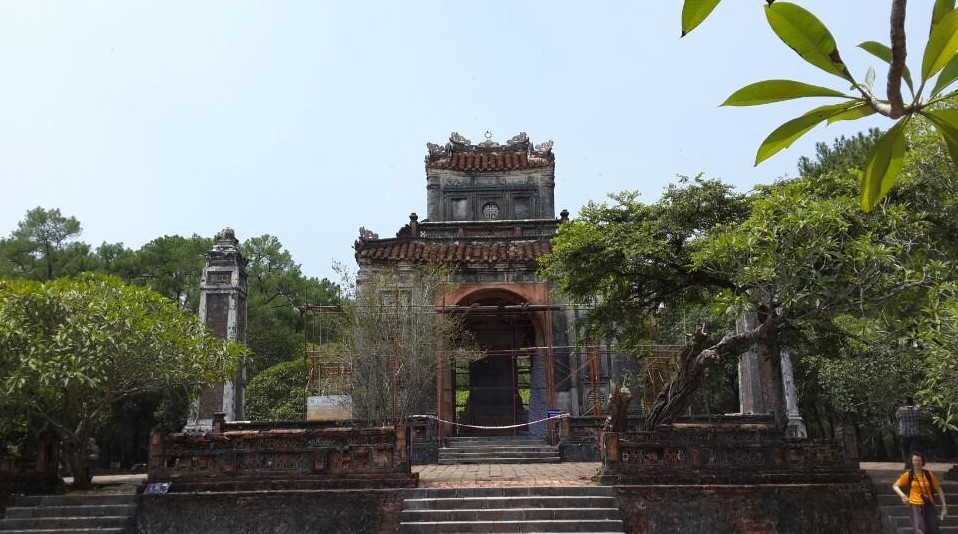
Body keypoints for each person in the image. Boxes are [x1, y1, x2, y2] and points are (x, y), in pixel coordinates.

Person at [893, 452, 948, 534]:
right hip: (915, 504)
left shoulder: (929, 474)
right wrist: (902, 495)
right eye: (915, 460)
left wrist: (944, 505)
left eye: (919, 460)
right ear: (912, 462)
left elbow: (939, 489)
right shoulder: (908, 475)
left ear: (923, 462)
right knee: (920, 530)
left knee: (933, 529)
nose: (917, 462)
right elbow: (895, 486)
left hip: (929, 503)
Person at [896, 396, 923, 469]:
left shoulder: (900, 410)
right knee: (913, 450)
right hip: (915, 432)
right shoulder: (917, 409)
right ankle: (912, 463)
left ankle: (907, 463)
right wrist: (915, 404)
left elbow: (897, 417)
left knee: (904, 449)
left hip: (904, 432)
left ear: (906, 402)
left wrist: (901, 406)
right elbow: (920, 417)